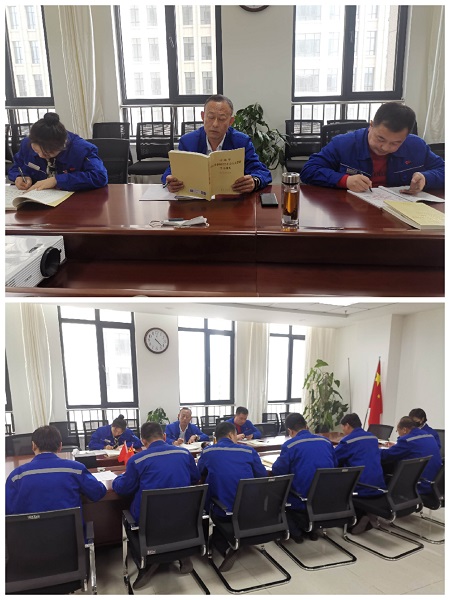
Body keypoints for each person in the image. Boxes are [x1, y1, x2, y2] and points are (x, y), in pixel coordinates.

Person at [112, 422, 200, 589]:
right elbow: (195, 477)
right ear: (164, 436)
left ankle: (147, 564)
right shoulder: (184, 453)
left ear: (143, 441)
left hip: (150, 522)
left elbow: (123, 489)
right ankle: (182, 553)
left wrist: (119, 478)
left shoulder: (138, 459)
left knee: (128, 518)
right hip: (183, 517)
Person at [300, 102, 444, 192]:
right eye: (380, 138)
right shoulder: (343, 144)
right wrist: (345, 180)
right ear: (371, 125)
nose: (385, 147)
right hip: (351, 212)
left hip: (399, 214)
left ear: (406, 137)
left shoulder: (416, 146)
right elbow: (308, 170)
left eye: (395, 143)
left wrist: (426, 178)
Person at [162, 94, 271, 194]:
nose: (215, 124)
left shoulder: (241, 141)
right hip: (196, 199)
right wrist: (170, 181)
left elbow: (262, 171)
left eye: (222, 119)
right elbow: (171, 171)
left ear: (231, 121)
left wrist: (255, 181)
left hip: (231, 201)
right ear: (203, 116)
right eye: (210, 117)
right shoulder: (188, 141)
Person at [197, 420, 267, 571]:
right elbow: (262, 475)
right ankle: (235, 541)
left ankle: (225, 546)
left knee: (212, 496)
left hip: (223, 512)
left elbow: (198, 474)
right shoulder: (249, 451)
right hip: (250, 510)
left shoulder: (208, 452)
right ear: (231, 435)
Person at [6, 425, 106, 516]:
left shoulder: (16, 476)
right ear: (60, 446)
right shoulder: (76, 469)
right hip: (70, 530)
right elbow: (98, 493)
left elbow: (7, 510)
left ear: (33, 446)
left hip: (31, 530)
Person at [271, 412, 337, 543]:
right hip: (326, 497)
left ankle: (295, 531)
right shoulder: (326, 441)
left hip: (301, 499)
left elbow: (278, 471)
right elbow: (335, 464)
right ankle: (310, 528)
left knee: (274, 491)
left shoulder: (290, 445)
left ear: (290, 431)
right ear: (306, 426)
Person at [8, 112, 108, 192]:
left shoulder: (81, 149)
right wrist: (19, 176)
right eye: (36, 151)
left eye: (48, 153)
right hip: (37, 199)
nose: (41, 155)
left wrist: (57, 180)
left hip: (72, 201)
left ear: (63, 145)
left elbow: (100, 176)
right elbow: (17, 166)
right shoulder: (26, 144)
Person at [380, 416, 442, 495]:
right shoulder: (428, 435)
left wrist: (373, 448)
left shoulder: (407, 440)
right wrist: (397, 447)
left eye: (397, 431)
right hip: (433, 483)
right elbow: (416, 447)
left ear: (404, 430)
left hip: (417, 485)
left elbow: (385, 455)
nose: (399, 434)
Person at [334, 413, 385, 497]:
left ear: (347, 425)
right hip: (379, 486)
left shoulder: (348, 441)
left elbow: (334, 458)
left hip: (361, 488)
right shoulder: (373, 437)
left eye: (342, 427)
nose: (343, 431)